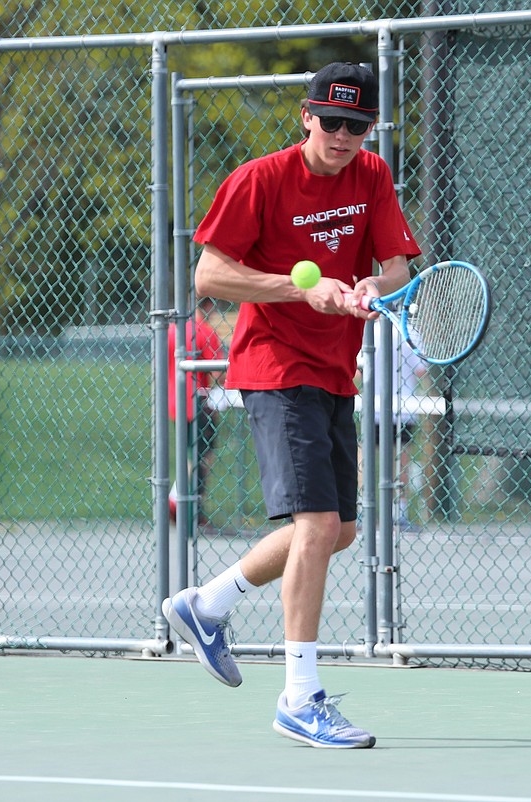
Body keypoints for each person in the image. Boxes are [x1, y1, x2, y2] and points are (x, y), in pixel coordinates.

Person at [161, 61, 420, 749]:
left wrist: (370, 284)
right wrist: (297, 289)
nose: (341, 135)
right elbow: (210, 274)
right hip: (275, 367)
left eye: (356, 125)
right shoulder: (261, 179)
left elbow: (399, 268)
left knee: (337, 532)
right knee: (316, 523)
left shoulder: (372, 177)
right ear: (306, 117)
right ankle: (299, 697)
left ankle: (205, 604)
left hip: (336, 372)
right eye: (330, 121)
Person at [167, 296, 225, 527]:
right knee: (202, 457)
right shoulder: (206, 332)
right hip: (199, 401)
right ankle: (184, 504)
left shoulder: (175, 330)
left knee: (191, 454)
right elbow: (217, 374)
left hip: (175, 401)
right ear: (209, 306)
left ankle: (178, 500)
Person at [368, 320, 429, 531]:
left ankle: (363, 511)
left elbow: (356, 371)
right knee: (400, 459)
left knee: (366, 458)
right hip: (402, 408)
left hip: (379, 407)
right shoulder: (409, 331)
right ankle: (398, 513)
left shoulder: (367, 329)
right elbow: (421, 370)